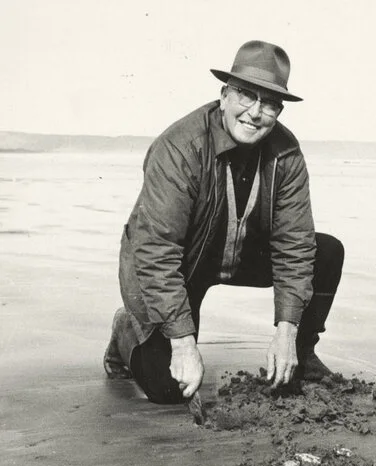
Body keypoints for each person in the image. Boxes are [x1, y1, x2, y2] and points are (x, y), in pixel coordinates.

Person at [103, 40, 344, 413]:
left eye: (269, 104)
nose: (255, 113)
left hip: (242, 253)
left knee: (326, 251)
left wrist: (288, 331)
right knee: (170, 389)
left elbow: (294, 244)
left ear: (279, 110)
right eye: (246, 95)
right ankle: (126, 331)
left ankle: (302, 354)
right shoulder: (180, 147)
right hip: (181, 265)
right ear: (224, 95)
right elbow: (156, 253)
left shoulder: (287, 152)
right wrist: (183, 343)